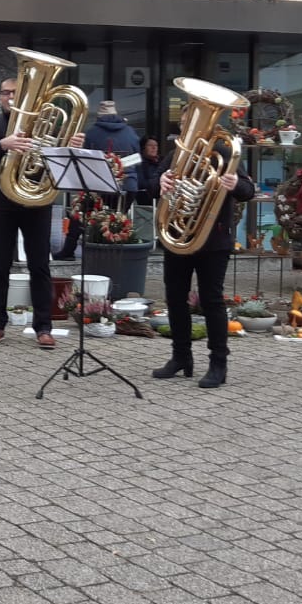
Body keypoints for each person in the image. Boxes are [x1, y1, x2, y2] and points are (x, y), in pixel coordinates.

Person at [0, 75, 84, 347]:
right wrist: (4, 144)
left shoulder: (43, 124)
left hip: (37, 202)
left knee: (40, 266)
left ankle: (43, 327)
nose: (10, 97)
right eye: (5, 92)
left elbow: (60, 162)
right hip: (2, 203)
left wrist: (71, 148)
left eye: (15, 92)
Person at [148, 141, 256, 388]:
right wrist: (161, 182)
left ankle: (219, 363)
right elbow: (151, 186)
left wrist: (235, 184)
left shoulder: (224, 153)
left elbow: (248, 189)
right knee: (175, 298)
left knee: (211, 300)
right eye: (187, 122)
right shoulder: (177, 154)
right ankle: (181, 357)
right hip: (178, 236)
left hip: (214, 240)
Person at [56, 100, 139, 260]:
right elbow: (137, 157)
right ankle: (112, 256)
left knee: (81, 214)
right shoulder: (130, 132)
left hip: (98, 184)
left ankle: (69, 250)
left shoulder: (92, 133)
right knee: (116, 221)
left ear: (99, 116)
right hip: (128, 185)